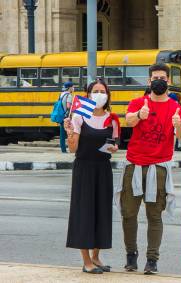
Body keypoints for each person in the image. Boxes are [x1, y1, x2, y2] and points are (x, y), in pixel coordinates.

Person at [117, 63, 181, 274]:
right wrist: (140, 115)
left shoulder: (177, 108)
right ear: (149, 81)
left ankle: (152, 260)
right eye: (155, 78)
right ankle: (131, 255)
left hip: (159, 167)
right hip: (134, 164)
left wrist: (178, 125)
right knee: (128, 213)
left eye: (163, 78)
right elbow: (127, 122)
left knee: (154, 215)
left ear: (168, 81)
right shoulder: (138, 102)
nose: (159, 81)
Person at [64, 79, 120, 274]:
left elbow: (113, 144)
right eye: (94, 91)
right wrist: (70, 133)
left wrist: (113, 147)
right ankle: (86, 261)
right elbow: (73, 149)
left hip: (103, 169)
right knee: (84, 212)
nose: (98, 94)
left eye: (102, 91)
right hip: (84, 169)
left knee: (102, 212)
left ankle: (96, 257)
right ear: (88, 95)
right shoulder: (79, 116)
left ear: (107, 95)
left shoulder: (112, 119)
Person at [59, 81, 74, 153]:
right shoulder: (69, 95)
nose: (73, 88)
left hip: (61, 116)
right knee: (70, 133)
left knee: (62, 134)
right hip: (67, 117)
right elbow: (68, 106)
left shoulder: (61, 94)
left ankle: (63, 150)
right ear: (70, 88)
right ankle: (72, 148)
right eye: (72, 87)